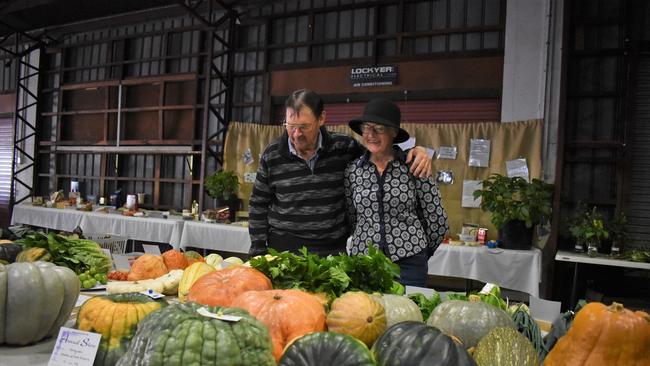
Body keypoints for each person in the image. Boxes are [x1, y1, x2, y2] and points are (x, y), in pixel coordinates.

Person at [248, 89, 432, 257]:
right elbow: (258, 204)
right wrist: (258, 249)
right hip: (284, 249)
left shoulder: (344, 147)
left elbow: (380, 154)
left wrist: (414, 152)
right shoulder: (272, 154)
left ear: (321, 119)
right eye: (290, 126)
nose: (296, 134)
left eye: (304, 126)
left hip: (331, 251)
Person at [344, 98, 448, 287]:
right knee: (366, 315)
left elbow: (437, 220)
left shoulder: (414, 165)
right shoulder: (353, 170)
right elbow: (351, 218)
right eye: (367, 127)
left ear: (393, 132)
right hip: (364, 264)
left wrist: (420, 251)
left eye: (379, 128)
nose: (371, 134)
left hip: (408, 264)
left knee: (409, 315)